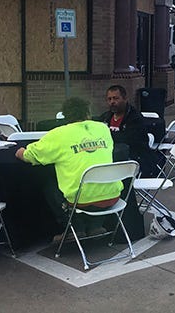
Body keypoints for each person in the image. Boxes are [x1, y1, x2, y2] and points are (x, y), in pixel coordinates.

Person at [15, 97, 118, 240]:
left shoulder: (59, 134)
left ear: (65, 115)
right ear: (88, 113)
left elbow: (32, 156)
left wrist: (20, 152)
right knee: (88, 186)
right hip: (112, 196)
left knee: (50, 187)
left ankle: (74, 229)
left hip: (82, 199)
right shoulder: (103, 128)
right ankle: (96, 226)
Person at [98, 85, 150, 172]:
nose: (112, 102)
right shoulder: (106, 117)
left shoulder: (135, 118)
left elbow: (127, 138)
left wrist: (105, 135)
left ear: (125, 99)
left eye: (116, 98)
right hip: (109, 155)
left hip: (132, 158)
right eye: (109, 99)